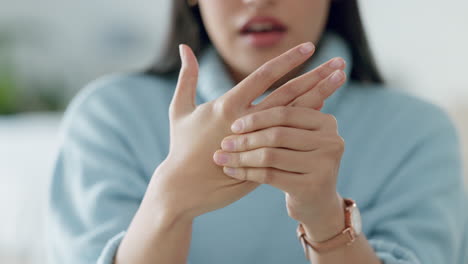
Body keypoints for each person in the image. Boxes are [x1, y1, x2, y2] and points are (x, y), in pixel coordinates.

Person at [47, 0, 468, 263]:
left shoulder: (418, 131)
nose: (260, 0)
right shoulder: (108, 115)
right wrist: (170, 202)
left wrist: (325, 218)